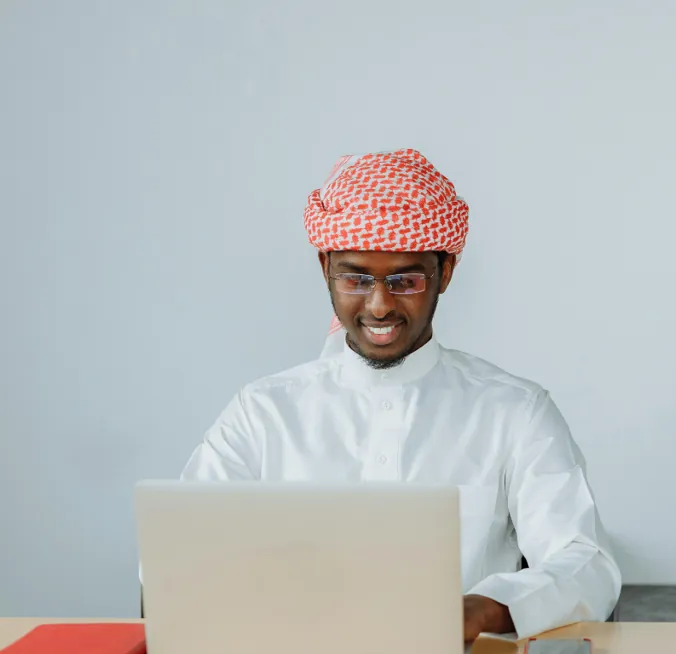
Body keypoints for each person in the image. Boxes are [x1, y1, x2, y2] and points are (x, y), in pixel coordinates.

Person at [179, 149, 621, 641]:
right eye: (355, 278)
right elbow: (178, 557)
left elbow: (587, 563)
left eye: (405, 280)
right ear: (325, 267)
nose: (379, 305)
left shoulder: (514, 411)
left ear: (445, 272)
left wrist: (485, 608)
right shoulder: (262, 413)